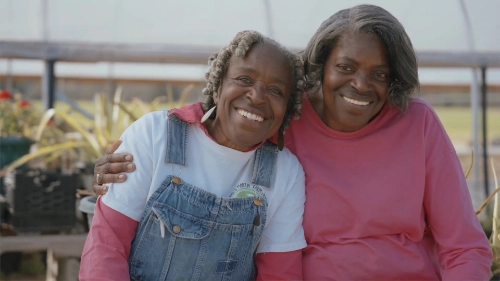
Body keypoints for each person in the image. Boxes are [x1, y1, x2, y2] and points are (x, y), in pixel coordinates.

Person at [93, 5, 493, 281]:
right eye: (345, 67)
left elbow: (464, 248)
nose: (361, 85)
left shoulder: (419, 124)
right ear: (320, 67)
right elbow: (227, 118)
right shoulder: (286, 122)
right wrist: (132, 149)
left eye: (380, 74)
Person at [80, 30, 308, 281]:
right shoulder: (156, 135)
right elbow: (107, 246)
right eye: (244, 79)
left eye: (276, 91)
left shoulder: (285, 173)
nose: (257, 96)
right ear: (218, 84)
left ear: (288, 107)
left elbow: (280, 273)